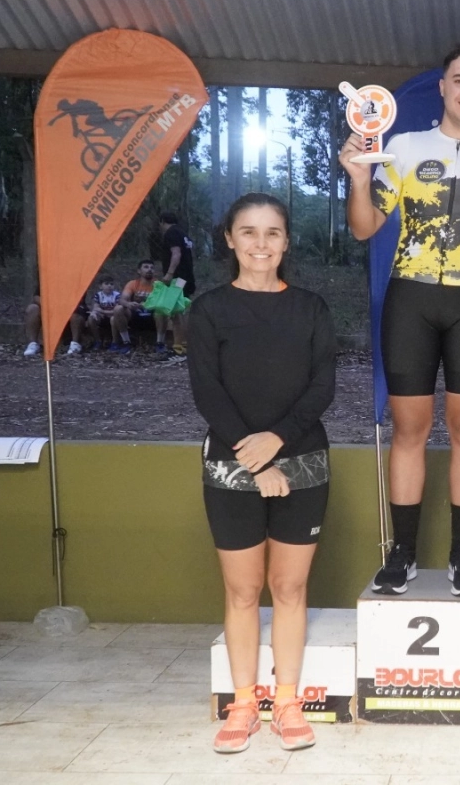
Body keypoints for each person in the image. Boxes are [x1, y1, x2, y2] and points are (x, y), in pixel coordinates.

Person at [340, 42, 460, 598]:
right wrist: (357, 178)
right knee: (410, 430)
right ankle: (400, 554)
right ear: (443, 87)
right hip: (411, 301)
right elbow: (362, 227)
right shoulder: (402, 147)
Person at [187, 192, 336, 754]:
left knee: (290, 587)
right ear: (229, 239)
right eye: (248, 232)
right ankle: (244, 703)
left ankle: (289, 701)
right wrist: (258, 461)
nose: (260, 244)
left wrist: (277, 447)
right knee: (244, 589)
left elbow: (322, 387)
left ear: (287, 242)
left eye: (272, 233)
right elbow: (208, 393)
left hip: (303, 460)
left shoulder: (311, 309)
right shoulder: (209, 310)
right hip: (231, 464)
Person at [159, 210, 195, 356]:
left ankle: (179, 346)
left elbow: (176, 253)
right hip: (187, 277)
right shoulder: (183, 233)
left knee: (176, 311)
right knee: (181, 310)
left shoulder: (171, 233)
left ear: (162, 221)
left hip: (178, 279)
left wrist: (169, 273)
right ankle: (184, 344)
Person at [115, 259, 167, 352]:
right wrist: (128, 304)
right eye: (146, 267)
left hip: (153, 316)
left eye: (152, 268)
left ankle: (160, 343)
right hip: (135, 315)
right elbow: (122, 299)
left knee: (161, 311)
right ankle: (126, 342)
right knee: (118, 309)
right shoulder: (132, 284)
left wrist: (148, 305)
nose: (149, 270)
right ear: (139, 271)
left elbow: (164, 302)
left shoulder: (159, 284)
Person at [23, 290, 86, 357]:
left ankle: (75, 344)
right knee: (32, 308)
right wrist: (47, 305)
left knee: (77, 310)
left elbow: (80, 297)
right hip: (49, 307)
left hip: (69, 306)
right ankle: (33, 344)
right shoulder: (48, 280)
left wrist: (60, 306)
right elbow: (36, 296)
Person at [86, 274, 124, 349]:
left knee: (114, 318)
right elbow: (96, 307)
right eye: (106, 284)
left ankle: (115, 342)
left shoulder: (117, 295)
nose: (109, 286)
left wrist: (103, 311)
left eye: (111, 284)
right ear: (100, 286)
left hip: (113, 317)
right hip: (102, 317)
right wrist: (97, 311)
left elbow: (117, 310)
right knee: (91, 319)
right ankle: (98, 341)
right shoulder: (98, 295)